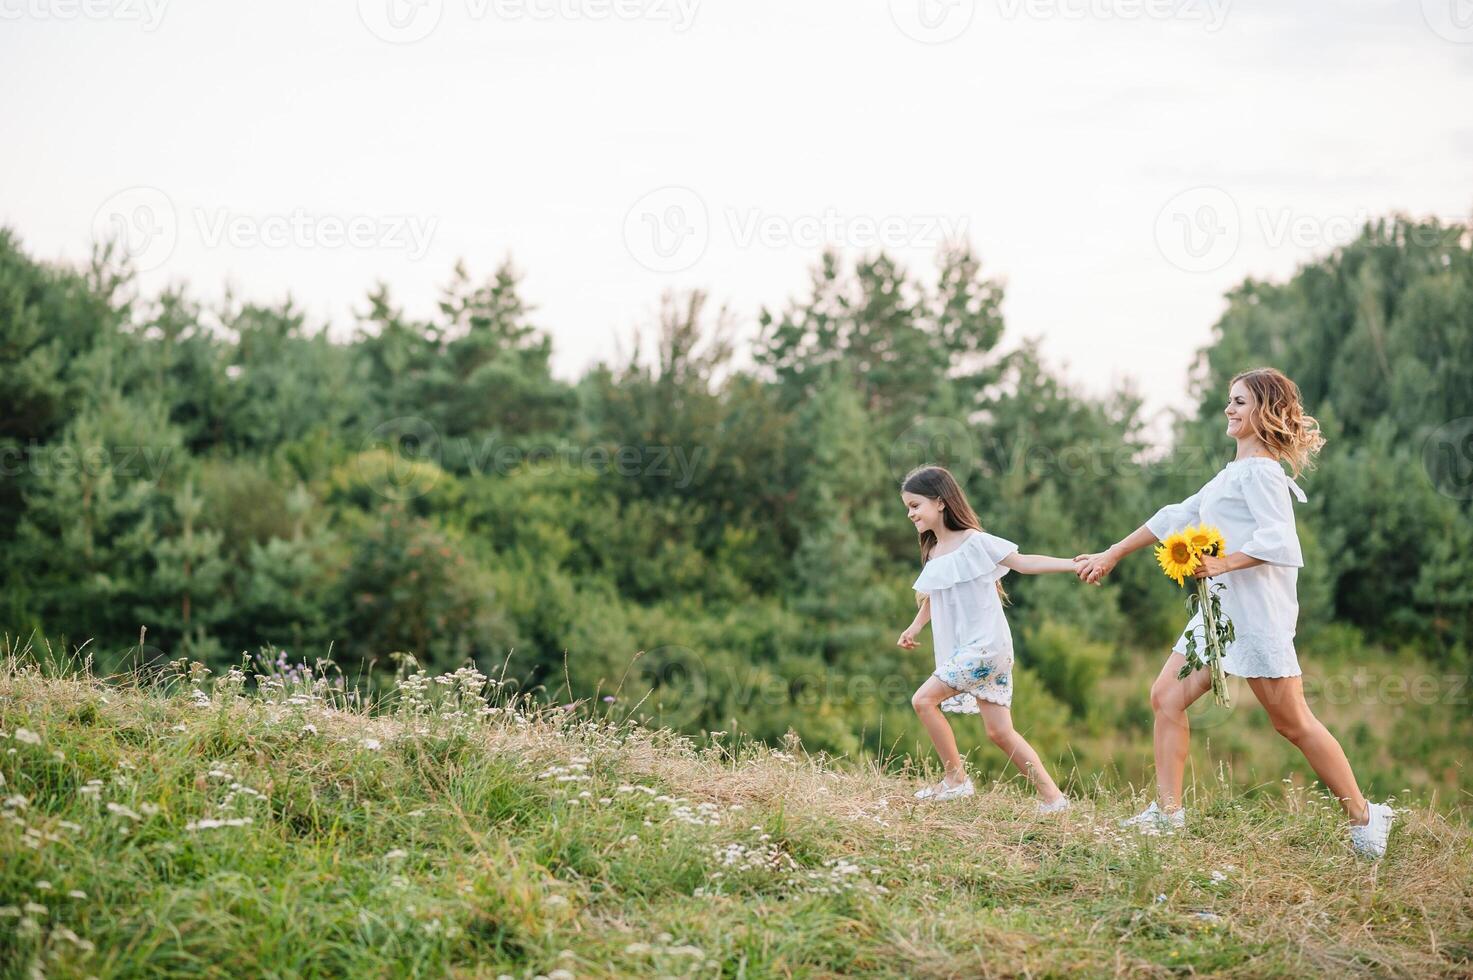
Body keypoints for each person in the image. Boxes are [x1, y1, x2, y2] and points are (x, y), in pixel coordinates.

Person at [1074, 367, 1394, 858]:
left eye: (1240, 402)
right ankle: (1167, 815)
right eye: (1230, 400)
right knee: (1165, 697)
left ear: (1264, 410)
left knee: (1291, 723)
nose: (1229, 409)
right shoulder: (1234, 473)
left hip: (1257, 615)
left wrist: (1220, 562)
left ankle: (1368, 819)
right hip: (1218, 613)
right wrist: (1112, 553)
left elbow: (1279, 541)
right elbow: (1175, 514)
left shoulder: (1264, 473)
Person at [898, 464, 1076, 813]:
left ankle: (956, 780)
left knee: (923, 701)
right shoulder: (935, 552)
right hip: (976, 651)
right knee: (999, 732)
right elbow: (936, 594)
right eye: (908, 507)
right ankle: (1054, 800)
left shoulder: (975, 542)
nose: (910, 514)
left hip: (984, 648)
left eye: (915, 505)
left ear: (940, 502)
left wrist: (1073, 564)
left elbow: (1024, 563)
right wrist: (915, 626)